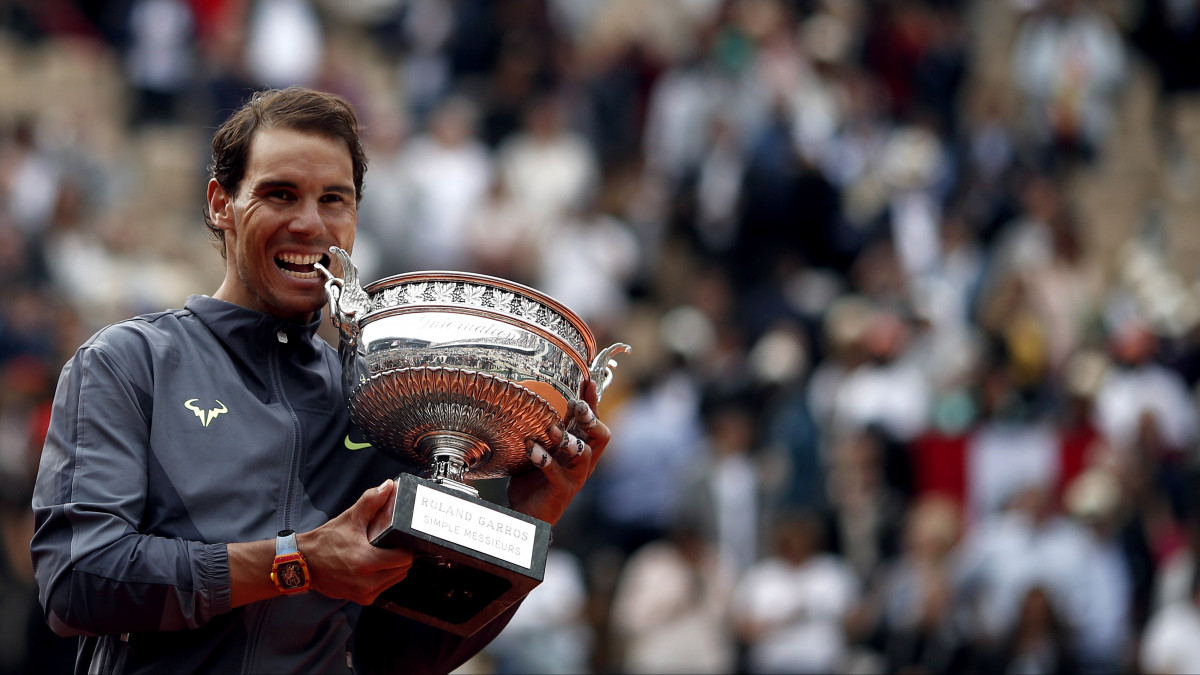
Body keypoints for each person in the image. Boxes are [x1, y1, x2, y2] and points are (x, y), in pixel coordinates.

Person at [29, 86, 611, 675]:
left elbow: (396, 656)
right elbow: (78, 577)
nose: (309, 223)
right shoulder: (129, 363)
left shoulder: (378, 400)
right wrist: (295, 562)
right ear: (220, 204)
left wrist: (528, 516)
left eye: (334, 199)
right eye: (280, 194)